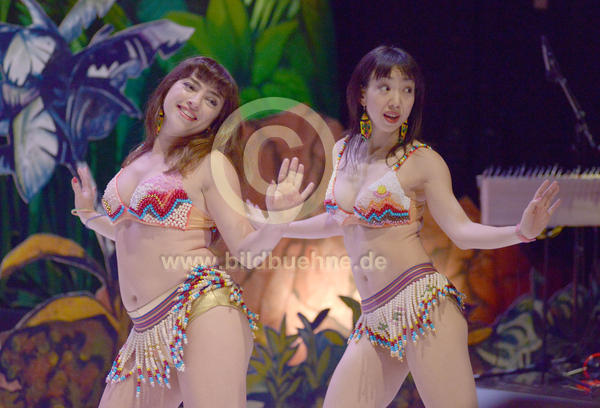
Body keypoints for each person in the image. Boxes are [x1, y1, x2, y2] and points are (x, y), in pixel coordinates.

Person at [275, 45, 560, 408]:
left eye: (407, 90)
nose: (396, 100)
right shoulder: (343, 151)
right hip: (374, 318)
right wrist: (278, 225)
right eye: (385, 87)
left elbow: (461, 230)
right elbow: (337, 221)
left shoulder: (423, 161)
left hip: (423, 306)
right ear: (362, 94)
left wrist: (520, 231)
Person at [71, 56, 313, 407]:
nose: (196, 101)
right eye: (190, 86)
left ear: (216, 119)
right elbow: (131, 232)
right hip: (146, 331)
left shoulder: (211, 165)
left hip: (201, 312)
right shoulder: (137, 157)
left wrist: (278, 220)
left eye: (211, 100)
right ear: (168, 88)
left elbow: (246, 250)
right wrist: (89, 216)